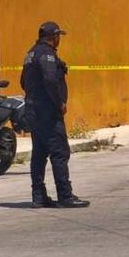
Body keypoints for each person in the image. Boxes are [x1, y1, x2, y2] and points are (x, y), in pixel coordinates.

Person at [21, 21, 88, 209]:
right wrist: (59, 102)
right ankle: (65, 195)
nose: (60, 40)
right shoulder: (47, 54)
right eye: (59, 36)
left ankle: (38, 196)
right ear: (54, 37)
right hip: (47, 111)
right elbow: (50, 79)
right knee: (59, 152)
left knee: (39, 153)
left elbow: (23, 81)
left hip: (33, 110)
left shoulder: (30, 53)